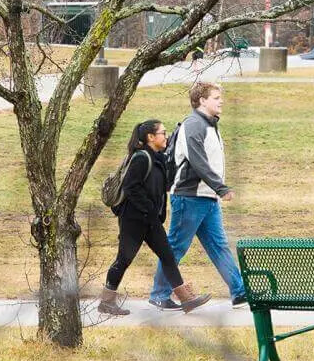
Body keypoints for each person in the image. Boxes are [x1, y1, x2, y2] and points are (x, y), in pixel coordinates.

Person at [149, 82, 248, 310]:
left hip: (206, 197)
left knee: (218, 246)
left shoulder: (209, 125)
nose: (220, 101)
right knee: (176, 246)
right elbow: (197, 161)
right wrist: (221, 187)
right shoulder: (194, 124)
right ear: (202, 101)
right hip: (189, 197)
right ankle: (159, 294)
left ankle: (239, 292)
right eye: (215, 97)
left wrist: (215, 190)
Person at [99, 119, 212, 316]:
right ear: (151, 137)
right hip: (133, 220)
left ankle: (186, 300)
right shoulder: (141, 158)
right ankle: (106, 302)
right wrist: (149, 210)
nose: (166, 136)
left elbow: (161, 187)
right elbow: (130, 187)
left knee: (167, 256)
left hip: (150, 220)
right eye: (163, 133)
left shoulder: (157, 158)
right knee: (124, 259)